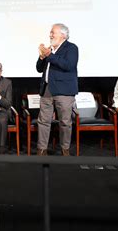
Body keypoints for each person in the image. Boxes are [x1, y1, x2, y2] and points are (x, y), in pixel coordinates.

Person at [36, 23, 78, 156]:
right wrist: (42, 57)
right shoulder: (50, 50)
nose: (50, 35)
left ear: (63, 35)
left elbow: (68, 65)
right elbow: (38, 68)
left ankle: (65, 149)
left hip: (64, 91)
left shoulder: (71, 48)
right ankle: (41, 149)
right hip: (47, 89)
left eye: (52, 32)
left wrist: (49, 55)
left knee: (65, 122)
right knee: (43, 121)